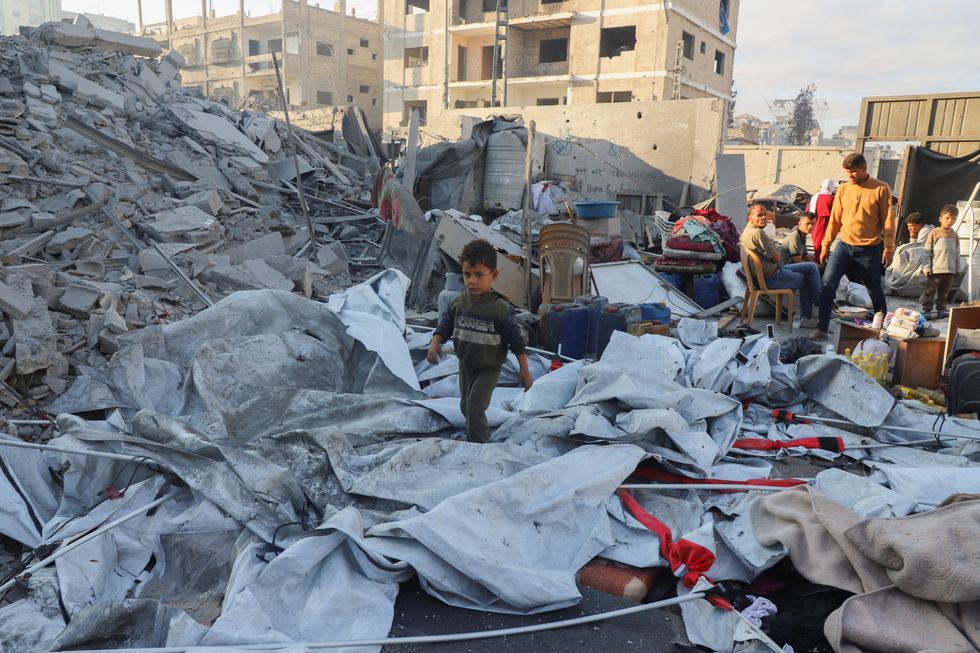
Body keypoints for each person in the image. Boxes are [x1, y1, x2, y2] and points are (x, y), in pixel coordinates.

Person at [427, 239, 533, 443]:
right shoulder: (459, 302)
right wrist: (435, 343)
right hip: (466, 366)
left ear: (493, 275)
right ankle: (476, 435)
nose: (472, 281)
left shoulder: (499, 308)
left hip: (488, 368)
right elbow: (445, 326)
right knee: (465, 407)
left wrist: (525, 370)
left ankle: (480, 446)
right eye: (467, 274)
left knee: (475, 408)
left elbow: (516, 342)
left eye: (479, 275)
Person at [813, 153, 895, 340]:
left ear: (864, 169)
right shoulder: (843, 189)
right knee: (827, 284)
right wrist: (826, 244)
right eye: (847, 172)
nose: (850, 176)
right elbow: (834, 219)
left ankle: (881, 328)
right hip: (844, 246)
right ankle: (822, 329)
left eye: (853, 172)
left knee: (874, 289)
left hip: (869, 249)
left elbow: (889, 221)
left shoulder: (881, 189)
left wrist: (889, 247)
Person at [740, 202, 822, 328]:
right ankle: (811, 312)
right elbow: (776, 257)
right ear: (749, 218)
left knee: (812, 267)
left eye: (765, 215)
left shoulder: (747, 231)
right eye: (759, 215)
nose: (763, 218)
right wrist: (773, 251)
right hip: (772, 277)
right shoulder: (757, 233)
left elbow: (775, 257)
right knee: (807, 279)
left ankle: (819, 299)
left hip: (774, 270)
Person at [920, 204, 961, 319]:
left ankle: (941, 310)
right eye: (947, 218)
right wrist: (926, 267)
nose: (950, 221)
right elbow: (926, 252)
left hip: (950, 270)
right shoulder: (934, 233)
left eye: (953, 219)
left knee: (944, 292)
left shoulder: (955, 235)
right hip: (936, 270)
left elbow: (957, 254)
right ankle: (927, 310)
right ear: (940, 218)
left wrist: (957, 268)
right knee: (930, 291)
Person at [807, 178, 836, 261]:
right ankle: (820, 263)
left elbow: (807, 212)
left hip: (814, 224)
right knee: (823, 244)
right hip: (824, 224)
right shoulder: (831, 199)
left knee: (818, 245)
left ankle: (820, 262)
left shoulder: (814, 197)